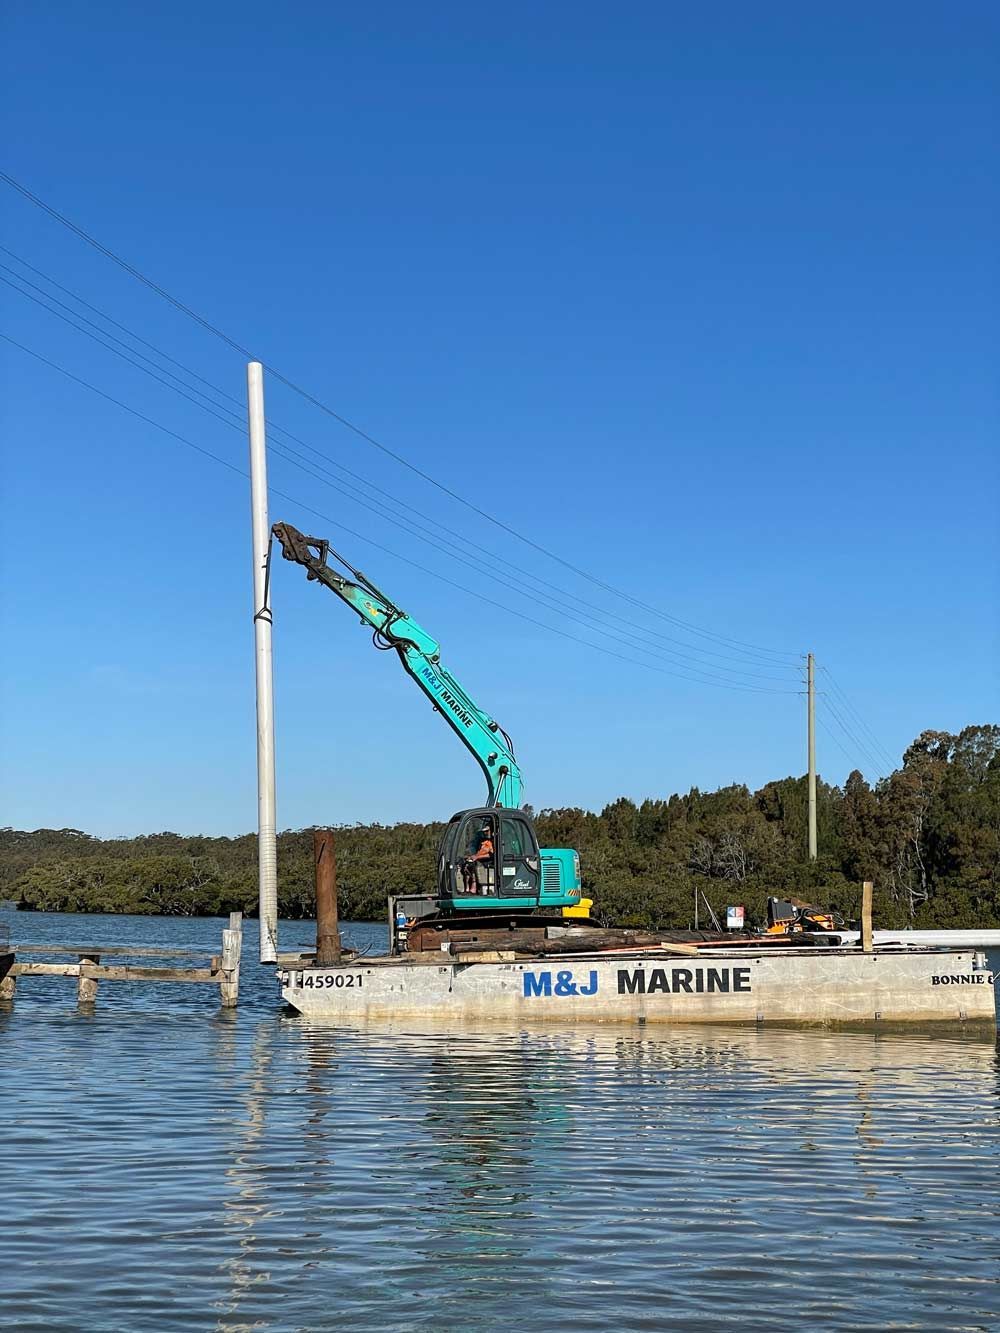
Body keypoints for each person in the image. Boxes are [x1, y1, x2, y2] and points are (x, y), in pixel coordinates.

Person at [462, 821, 495, 894]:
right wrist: (470, 856)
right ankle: (466, 887)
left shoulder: (494, 841)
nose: (485, 833)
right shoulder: (481, 841)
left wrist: (477, 857)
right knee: (466, 864)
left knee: (475, 865)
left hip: (488, 861)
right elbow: (477, 852)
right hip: (479, 859)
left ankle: (474, 886)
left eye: (487, 831)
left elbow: (492, 855)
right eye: (484, 831)